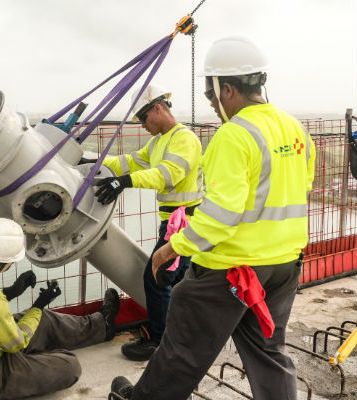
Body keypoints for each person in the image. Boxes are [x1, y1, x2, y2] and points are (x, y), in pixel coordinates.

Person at [109, 36, 316, 400]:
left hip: (228, 270)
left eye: (211, 95)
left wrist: (170, 249)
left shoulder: (234, 135)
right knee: (269, 352)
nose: (212, 103)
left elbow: (220, 216)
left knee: (182, 351)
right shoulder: (296, 128)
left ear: (228, 88)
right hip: (284, 265)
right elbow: (303, 186)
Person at [0, 218, 120, 399]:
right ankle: (43, 357)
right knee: (70, 366)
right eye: (8, 264)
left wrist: (13, 291)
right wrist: (38, 305)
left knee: (43, 319)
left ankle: (102, 326)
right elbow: (16, 343)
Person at [93, 84, 203, 361]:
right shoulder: (158, 142)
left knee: (156, 278)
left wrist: (125, 183)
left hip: (184, 223)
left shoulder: (184, 139)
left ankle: (159, 342)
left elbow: (168, 175)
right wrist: (94, 163)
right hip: (172, 223)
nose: (142, 125)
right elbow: (130, 161)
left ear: (158, 107)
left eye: (143, 117)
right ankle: (177, 334)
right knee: (171, 280)